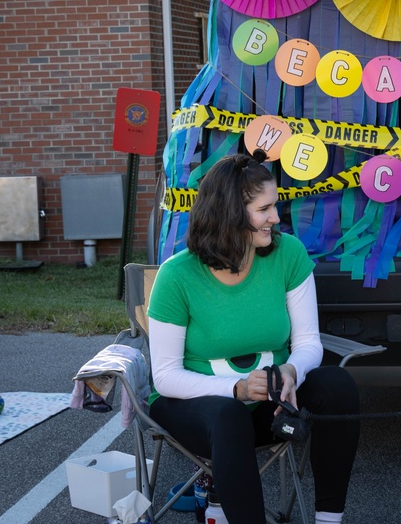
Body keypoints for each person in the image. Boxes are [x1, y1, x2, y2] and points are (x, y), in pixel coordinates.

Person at [147, 153, 360, 524]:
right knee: (228, 415)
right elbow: (165, 376)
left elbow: (309, 341)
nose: (276, 218)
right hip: (197, 408)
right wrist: (239, 389)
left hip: (271, 400)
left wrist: (292, 370)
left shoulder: (288, 253)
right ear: (231, 212)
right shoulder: (176, 275)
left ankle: (329, 520)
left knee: (337, 384)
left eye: (274, 206)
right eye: (265, 209)